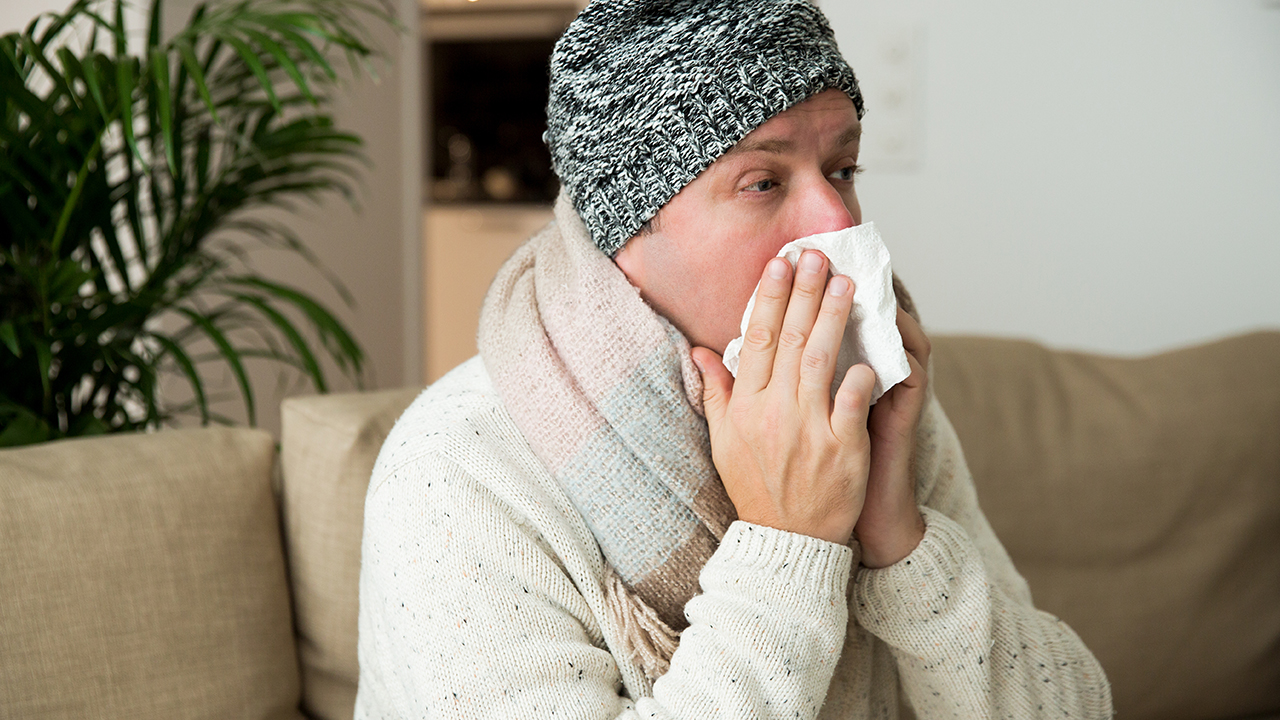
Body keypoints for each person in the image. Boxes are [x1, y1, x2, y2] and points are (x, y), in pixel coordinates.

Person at [354, 1, 1113, 717]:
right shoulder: (458, 470)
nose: (834, 219)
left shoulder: (867, 401)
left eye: (843, 170)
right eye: (763, 181)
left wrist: (900, 540)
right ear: (626, 234)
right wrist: (792, 547)